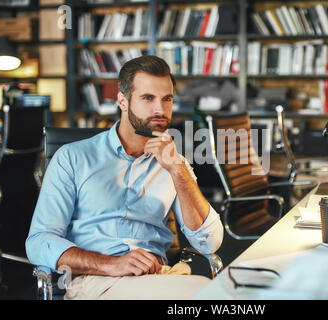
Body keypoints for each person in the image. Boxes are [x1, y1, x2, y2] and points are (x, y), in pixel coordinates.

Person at [26, 55, 224, 300]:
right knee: (205, 295)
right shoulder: (72, 158)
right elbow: (38, 242)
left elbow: (209, 243)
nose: (160, 110)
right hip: (96, 281)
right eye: (147, 98)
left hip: (158, 277)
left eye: (167, 99)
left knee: (216, 292)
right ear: (123, 101)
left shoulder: (174, 163)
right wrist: (112, 264)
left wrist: (179, 172)